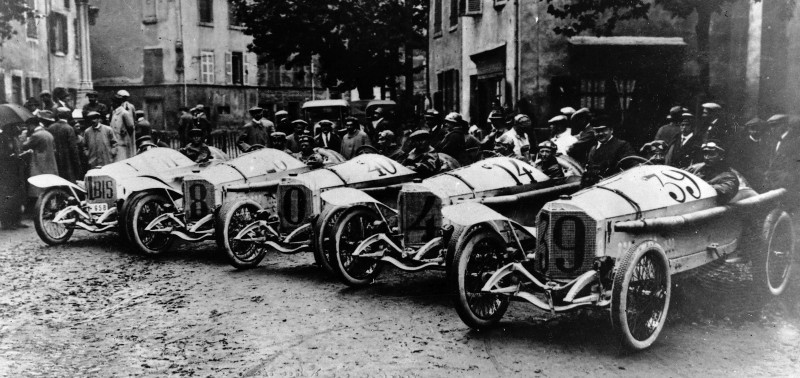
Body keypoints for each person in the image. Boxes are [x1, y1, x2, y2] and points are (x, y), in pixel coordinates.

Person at [764, 115, 800, 212]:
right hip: (775, 186)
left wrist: (782, 178)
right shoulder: (775, 141)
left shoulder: (796, 141)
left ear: (785, 125)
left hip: (789, 187)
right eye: (771, 126)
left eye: (775, 125)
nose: (772, 129)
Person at [688, 140, 740, 204]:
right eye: (705, 153)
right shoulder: (695, 168)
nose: (706, 157)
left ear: (721, 156)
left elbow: (725, 191)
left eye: (711, 154)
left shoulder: (729, 177)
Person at [0, 123, 30, 229]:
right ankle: (7, 222)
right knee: (7, 196)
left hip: (15, 169)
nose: (17, 129)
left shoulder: (13, 138)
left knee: (17, 195)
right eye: (14, 127)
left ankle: (17, 220)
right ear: (8, 128)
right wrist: (10, 156)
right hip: (6, 171)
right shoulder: (2, 138)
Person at [22, 113, 58, 199]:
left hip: (40, 163)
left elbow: (24, 146)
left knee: (39, 187)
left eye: (28, 126)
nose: (28, 128)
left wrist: (23, 137)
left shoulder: (36, 135)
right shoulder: (48, 133)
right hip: (50, 163)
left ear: (31, 125)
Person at [731, 117, 770, 192]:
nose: (756, 131)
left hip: (763, 175)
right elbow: (737, 163)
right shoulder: (741, 144)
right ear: (748, 130)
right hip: (747, 176)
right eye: (753, 129)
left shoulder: (765, 144)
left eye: (758, 129)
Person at [49, 107, 83, 183]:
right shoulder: (69, 128)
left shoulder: (51, 127)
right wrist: (77, 164)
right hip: (67, 162)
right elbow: (73, 148)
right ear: (68, 116)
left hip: (54, 160)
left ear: (58, 115)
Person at [109, 94, 136, 161]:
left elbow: (130, 127)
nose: (111, 104)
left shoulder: (124, 113)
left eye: (113, 102)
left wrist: (124, 134)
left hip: (122, 143)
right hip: (115, 143)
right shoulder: (114, 112)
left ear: (117, 103)